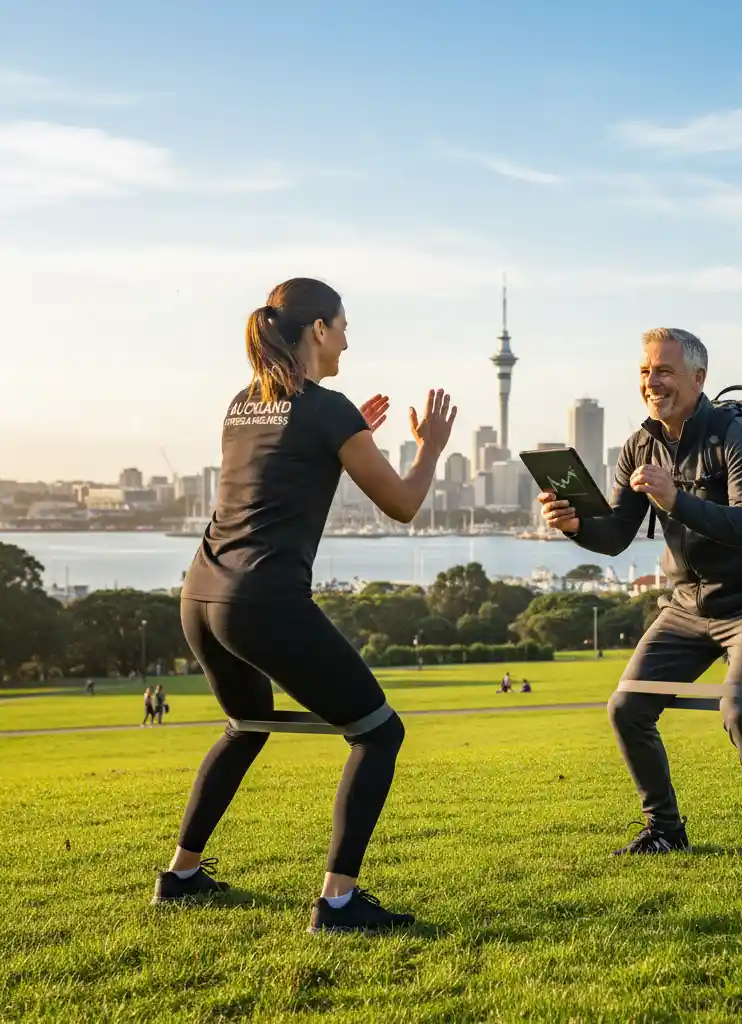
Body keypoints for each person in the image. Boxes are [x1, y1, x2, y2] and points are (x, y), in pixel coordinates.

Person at [153, 277, 457, 933]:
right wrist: (430, 445)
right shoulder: (327, 409)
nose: (348, 337)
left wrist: (353, 434)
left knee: (248, 724)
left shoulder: (244, 403)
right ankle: (338, 902)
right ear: (318, 329)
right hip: (262, 602)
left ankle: (180, 875)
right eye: (343, 325)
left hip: (202, 595)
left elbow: (283, 462)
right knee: (379, 734)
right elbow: (403, 505)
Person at [539, 327, 742, 875]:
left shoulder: (737, 438)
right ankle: (665, 831)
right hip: (685, 607)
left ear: (698, 379)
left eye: (664, 371)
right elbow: (614, 536)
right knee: (627, 706)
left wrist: (675, 500)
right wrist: (574, 525)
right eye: (644, 372)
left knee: (741, 709)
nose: (652, 382)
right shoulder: (639, 444)